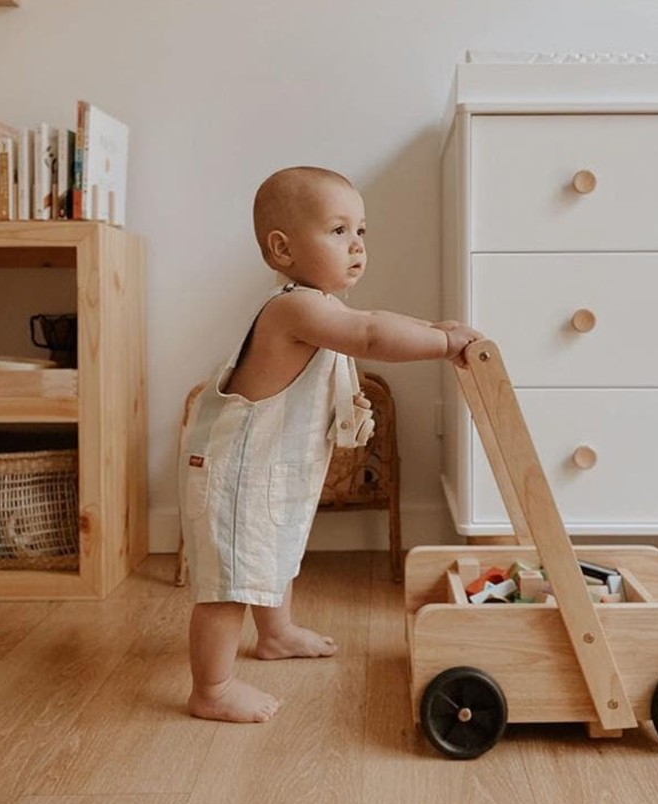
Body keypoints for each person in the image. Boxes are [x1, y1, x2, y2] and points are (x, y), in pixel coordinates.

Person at [180, 165, 482, 723]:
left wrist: (431, 325)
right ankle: (212, 688)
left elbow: (370, 321)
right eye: (338, 231)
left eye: (361, 231)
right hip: (234, 472)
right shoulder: (293, 308)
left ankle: (276, 633)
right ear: (282, 248)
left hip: (269, 469)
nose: (357, 246)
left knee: (274, 550)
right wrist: (441, 342)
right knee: (229, 583)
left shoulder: (323, 307)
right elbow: (371, 334)